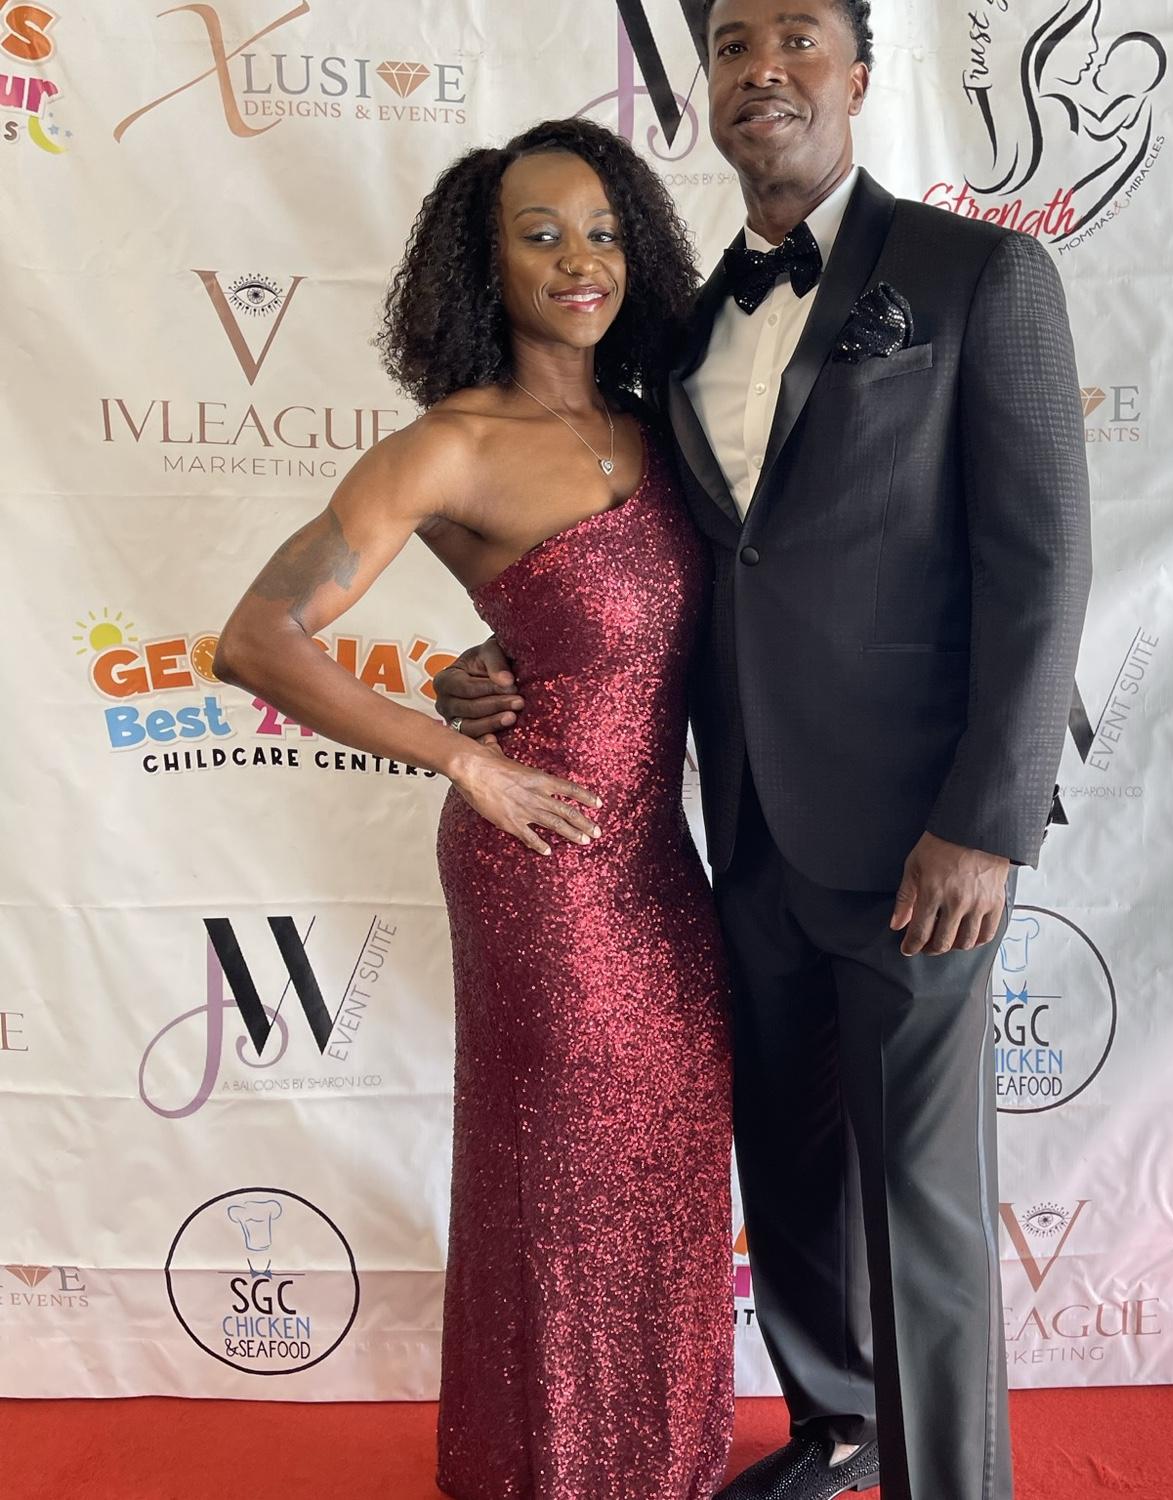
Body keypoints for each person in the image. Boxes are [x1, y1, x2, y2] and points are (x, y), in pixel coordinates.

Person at [439, 2, 1091, 1498]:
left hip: (922, 843)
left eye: (799, 38)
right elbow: (638, 556)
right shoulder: (672, 328)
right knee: (789, 1175)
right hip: (732, 836)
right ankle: (837, 1427)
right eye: (735, 45)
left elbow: (1043, 564)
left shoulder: (978, 274)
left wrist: (986, 822)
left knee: (922, 1202)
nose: (764, 70)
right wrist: (502, 662)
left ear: (858, 74)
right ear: (709, 88)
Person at [211, 119, 735, 1500]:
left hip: (661, 861)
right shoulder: (450, 448)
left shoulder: (668, 422)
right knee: (557, 1174)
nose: (579, 262)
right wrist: (462, 757)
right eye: (540, 235)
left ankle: (656, 1462)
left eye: (604, 232)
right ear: (482, 263)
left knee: (664, 1158)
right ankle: (546, 1471)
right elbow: (258, 639)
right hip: (541, 862)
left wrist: (498, 657)